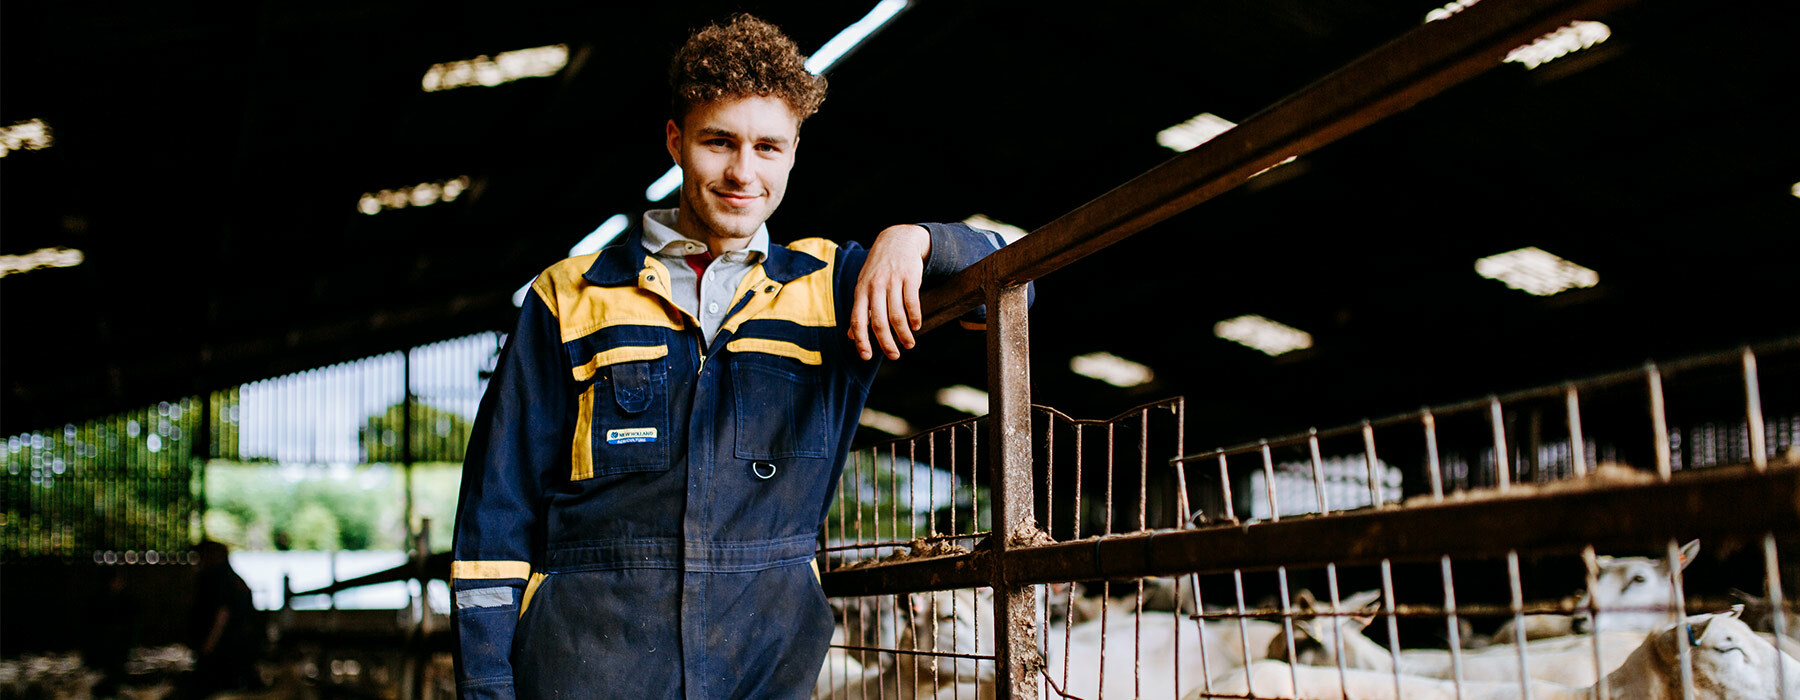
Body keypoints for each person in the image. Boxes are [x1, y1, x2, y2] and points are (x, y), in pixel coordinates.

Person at [449, 13, 1025, 700]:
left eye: (768, 148)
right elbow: (494, 516)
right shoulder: (570, 296)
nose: (742, 172)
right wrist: (487, 687)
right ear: (676, 141)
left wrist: (918, 239)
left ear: (794, 152)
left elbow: (1014, 279)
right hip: (588, 665)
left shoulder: (828, 286)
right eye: (718, 142)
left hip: (764, 667)